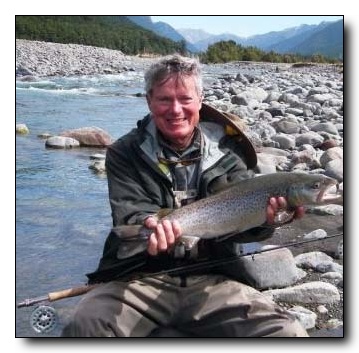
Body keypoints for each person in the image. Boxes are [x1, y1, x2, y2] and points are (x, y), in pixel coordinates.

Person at [62, 54, 307, 337]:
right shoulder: (124, 152)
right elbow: (129, 217)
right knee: (85, 326)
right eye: (165, 99)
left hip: (215, 278)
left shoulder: (230, 150)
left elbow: (242, 231)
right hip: (140, 278)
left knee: (286, 333)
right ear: (149, 101)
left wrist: (268, 222)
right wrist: (151, 228)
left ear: (200, 100)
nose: (175, 109)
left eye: (185, 99)